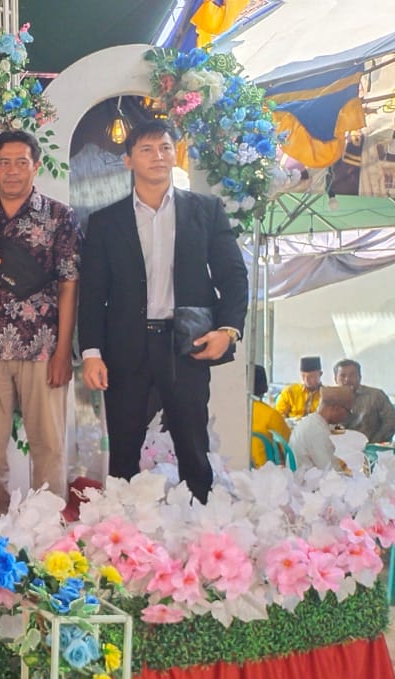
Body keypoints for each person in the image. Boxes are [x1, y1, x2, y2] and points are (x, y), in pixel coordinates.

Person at [78, 120, 248, 503]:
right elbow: (92, 293)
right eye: (146, 149)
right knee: (123, 447)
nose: (157, 156)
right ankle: (122, 525)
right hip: (126, 348)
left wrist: (228, 330)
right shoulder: (106, 222)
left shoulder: (205, 210)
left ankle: (201, 519)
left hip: (187, 345)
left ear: (175, 154)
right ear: (128, 161)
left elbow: (233, 275)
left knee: (193, 443)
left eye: (165, 148)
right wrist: (91, 352)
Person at [0, 130, 81, 517]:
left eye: (21, 162)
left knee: (49, 445)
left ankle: (45, 523)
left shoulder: (59, 217)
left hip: (43, 347)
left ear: (36, 165)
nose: (12, 170)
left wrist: (63, 351)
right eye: (4, 162)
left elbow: (69, 283)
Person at [288, 387, 354, 474]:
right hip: (308, 480)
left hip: (304, 474)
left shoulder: (311, 421)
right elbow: (331, 471)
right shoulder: (317, 431)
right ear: (336, 408)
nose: (346, 416)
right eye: (348, 411)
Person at [334, 359, 395, 443]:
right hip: (341, 446)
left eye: (352, 375)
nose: (347, 379)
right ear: (335, 379)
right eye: (342, 376)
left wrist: (373, 442)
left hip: (371, 446)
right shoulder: (330, 399)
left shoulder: (376, 395)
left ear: (360, 377)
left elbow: (392, 422)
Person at [249, 365, 289, 467]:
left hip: (230, 470)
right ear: (265, 388)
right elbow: (289, 446)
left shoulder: (233, 412)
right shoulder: (271, 414)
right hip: (262, 471)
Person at [275, 356, 323, 420]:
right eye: (303, 376)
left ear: (320, 374)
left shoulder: (327, 395)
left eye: (311, 376)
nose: (306, 380)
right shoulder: (290, 391)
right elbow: (278, 415)